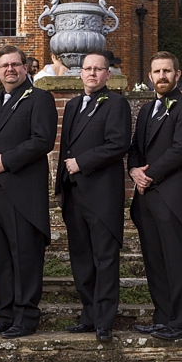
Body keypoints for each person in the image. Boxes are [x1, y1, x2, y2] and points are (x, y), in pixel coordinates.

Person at [0, 45, 57, 339]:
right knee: (0, 258)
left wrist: (4, 162)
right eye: (4, 65)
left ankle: (26, 316)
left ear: (26, 67)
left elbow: (42, 140)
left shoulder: (40, 99)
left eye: (15, 64)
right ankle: (5, 314)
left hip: (21, 192)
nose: (10, 69)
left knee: (25, 257)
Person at [55, 53, 131, 342]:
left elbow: (118, 144)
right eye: (87, 69)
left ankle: (104, 320)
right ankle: (88, 314)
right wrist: (60, 186)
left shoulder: (117, 104)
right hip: (74, 194)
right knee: (81, 259)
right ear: (81, 73)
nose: (92, 74)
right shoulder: (73, 105)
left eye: (98, 69)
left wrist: (82, 162)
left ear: (107, 74)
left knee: (105, 259)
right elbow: (64, 149)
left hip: (102, 195)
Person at [128, 51, 182, 341]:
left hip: (171, 194)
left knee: (177, 260)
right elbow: (135, 146)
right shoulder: (147, 110)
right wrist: (134, 169)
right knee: (155, 261)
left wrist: (148, 174)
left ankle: (181, 323)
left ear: (177, 75)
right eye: (157, 71)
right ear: (150, 76)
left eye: (167, 71)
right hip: (145, 197)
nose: (161, 76)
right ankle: (162, 318)